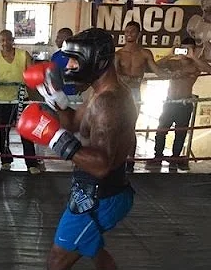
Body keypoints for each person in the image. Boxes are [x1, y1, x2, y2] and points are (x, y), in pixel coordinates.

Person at [19, 28, 136, 269]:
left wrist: (54, 138)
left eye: (75, 59)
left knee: (57, 261)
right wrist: (52, 94)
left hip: (98, 197)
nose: (69, 66)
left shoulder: (108, 102)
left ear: (97, 60)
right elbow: (74, 123)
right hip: (95, 192)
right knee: (93, 249)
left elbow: (101, 165)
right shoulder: (100, 92)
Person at [146, 37, 211, 170]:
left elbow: (209, 69)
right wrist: (170, 54)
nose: (184, 52)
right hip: (169, 102)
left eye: (188, 49)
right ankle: (157, 156)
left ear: (193, 50)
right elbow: (154, 66)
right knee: (161, 130)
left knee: (180, 133)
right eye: (183, 49)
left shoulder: (195, 65)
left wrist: (193, 57)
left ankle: (175, 158)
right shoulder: (173, 63)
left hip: (184, 103)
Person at [115, 21, 167, 172]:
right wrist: (128, 79)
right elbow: (115, 74)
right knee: (117, 126)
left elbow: (157, 70)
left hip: (135, 93)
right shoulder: (118, 54)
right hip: (120, 92)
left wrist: (175, 75)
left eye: (132, 31)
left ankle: (130, 161)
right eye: (127, 31)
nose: (129, 33)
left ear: (138, 34)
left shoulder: (145, 53)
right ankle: (117, 160)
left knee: (130, 126)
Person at [0, 29, 40, 174]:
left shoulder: (23, 55)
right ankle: (5, 160)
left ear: (13, 40)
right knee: (3, 131)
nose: (5, 43)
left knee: (26, 131)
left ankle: (31, 163)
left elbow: (32, 74)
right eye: (2, 40)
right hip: (3, 99)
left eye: (7, 40)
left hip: (22, 98)